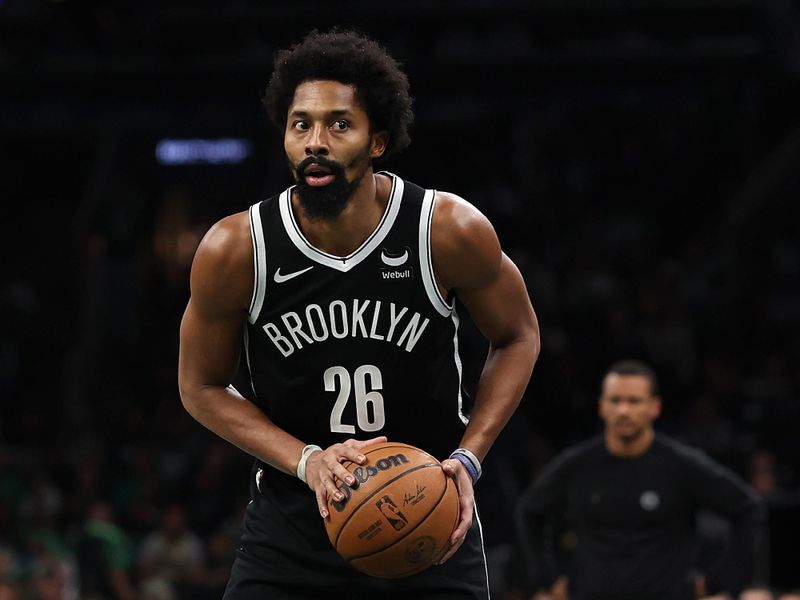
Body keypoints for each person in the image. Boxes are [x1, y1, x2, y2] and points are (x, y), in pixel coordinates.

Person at [177, 29, 540, 599]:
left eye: (338, 124)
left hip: (428, 514)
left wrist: (469, 458)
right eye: (301, 125)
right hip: (294, 523)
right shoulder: (237, 248)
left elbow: (518, 337)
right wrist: (307, 460)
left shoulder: (445, 230)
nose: (315, 142)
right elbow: (200, 385)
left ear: (378, 140)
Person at [515, 360, 765, 600]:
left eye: (634, 401)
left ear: (654, 407)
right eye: (616, 400)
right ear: (602, 406)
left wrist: (720, 582)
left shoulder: (681, 465)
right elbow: (529, 512)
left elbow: (747, 508)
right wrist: (547, 579)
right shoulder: (577, 465)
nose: (624, 410)